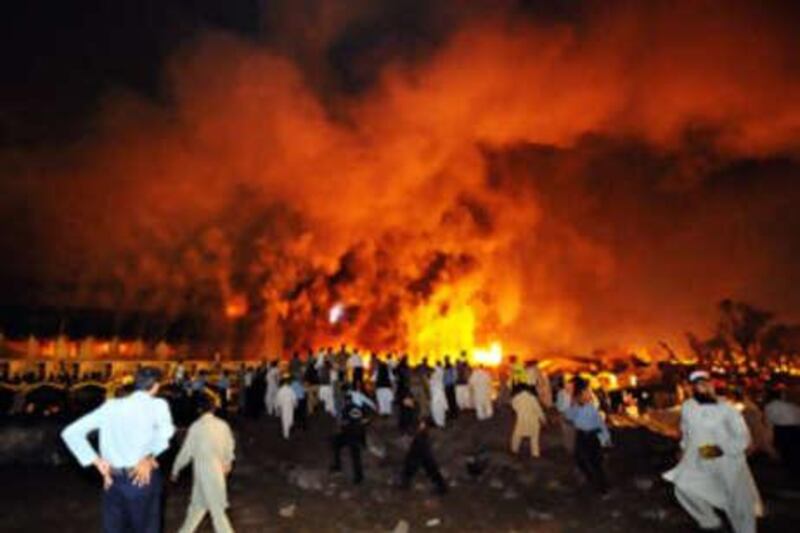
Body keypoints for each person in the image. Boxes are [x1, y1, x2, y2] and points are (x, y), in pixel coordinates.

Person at [61, 367, 175, 533]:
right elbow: (167, 433)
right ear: (156, 386)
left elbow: (70, 433)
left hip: (112, 482)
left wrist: (97, 462)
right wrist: (149, 456)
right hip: (142, 479)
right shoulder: (157, 405)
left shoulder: (110, 406)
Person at [663, 371, 763, 533]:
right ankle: (710, 521)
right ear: (692, 387)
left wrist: (721, 450)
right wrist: (683, 448)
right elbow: (687, 431)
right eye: (697, 383)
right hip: (699, 457)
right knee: (683, 485)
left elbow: (742, 437)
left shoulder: (727, 408)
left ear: (711, 385)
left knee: (739, 503)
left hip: (729, 461)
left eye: (704, 382)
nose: (701, 386)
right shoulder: (688, 407)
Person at [171, 395, 235, 533]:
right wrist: (227, 462)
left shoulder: (196, 427)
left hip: (202, 472)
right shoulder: (222, 425)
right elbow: (229, 446)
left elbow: (186, 452)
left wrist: (176, 469)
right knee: (203, 509)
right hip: (217, 471)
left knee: (208, 510)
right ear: (214, 408)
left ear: (199, 410)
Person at [565, 379, 611, 493]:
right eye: (585, 393)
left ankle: (602, 487)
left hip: (592, 436)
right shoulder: (577, 405)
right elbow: (569, 416)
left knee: (596, 462)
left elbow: (600, 423)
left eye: (587, 392)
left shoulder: (591, 406)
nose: (587, 394)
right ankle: (593, 481)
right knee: (580, 459)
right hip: (581, 435)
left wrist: (605, 439)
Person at [401, 404, 447, 495]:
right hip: (419, 437)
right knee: (414, 460)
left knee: (425, 462)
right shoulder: (410, 409)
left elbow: (422, 418)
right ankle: (406, 480)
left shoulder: (417, 408)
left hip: (420, 438)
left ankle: (441, 485)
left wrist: (420, 425)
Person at [331, 389, 370, 484]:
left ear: (346, 401)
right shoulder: (359, 408)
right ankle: (359, 476)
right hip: (359, 434)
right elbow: (366, 420)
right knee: (356, 455)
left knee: (336, 444)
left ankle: (338, 467)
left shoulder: (345, 409)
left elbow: (343, 423)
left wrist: (347, 424)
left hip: (350, 434)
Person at [765, 387, 800, 483]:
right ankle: (794, 474)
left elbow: (769, 422)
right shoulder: (792, 406)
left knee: (787, 453)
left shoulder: (770, 406)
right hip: (794, 430)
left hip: (782, 430)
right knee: (794, 453)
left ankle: (791, 475)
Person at [510, 384, 547, 458]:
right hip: (533, 421)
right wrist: (543, 419)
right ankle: (535, 455)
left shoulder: (515, 399)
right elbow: (538, 410)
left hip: (521, 420)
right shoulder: (532, 398)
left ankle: (514, 451)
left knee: (516, 437)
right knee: (534, 440)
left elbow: (513, 407)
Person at [556, 378, 576, 453]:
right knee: (566, 431)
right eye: (567, 384)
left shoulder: (575, 393)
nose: (569, 386)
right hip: (564, 413)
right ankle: (568, 448)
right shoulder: (561, 393)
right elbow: (558, 405)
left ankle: (572, 447)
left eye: (571, 385)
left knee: (573, 431)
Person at [429, 362, 448, 428]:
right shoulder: (440, 373)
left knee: (436, 409)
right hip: (439, 394)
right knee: (440, 409)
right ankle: (441, 422)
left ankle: (438, 422)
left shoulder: (435, 375)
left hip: (436, 395)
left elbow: (431, 383)